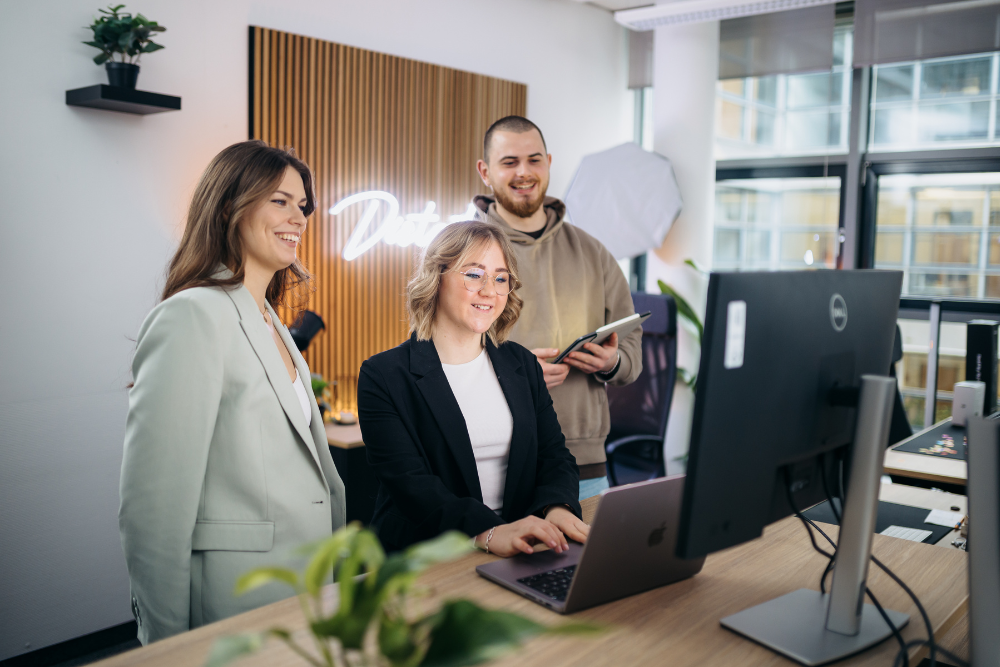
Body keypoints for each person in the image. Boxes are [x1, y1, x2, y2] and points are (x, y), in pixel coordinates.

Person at [119, 141, 346, 644]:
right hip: (234, 599)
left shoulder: (272, 322)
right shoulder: (193, 314)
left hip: (302, 587)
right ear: (229, 207)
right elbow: (153, 505)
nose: (299, 217)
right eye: (280, 201)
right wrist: (165, 642)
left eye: (302, 204)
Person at [357, 221, 588, 555]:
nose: (489, 291)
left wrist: (558, 509)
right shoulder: (383, 375)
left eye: (500, 278)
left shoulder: (521, 364)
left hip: (522, 545)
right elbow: (410, 484)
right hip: (426, 557)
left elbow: (553, 454)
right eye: (474, 274)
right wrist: (489, 532)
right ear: (436, 278)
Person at [474, 116, 642, 499]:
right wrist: (514, 373)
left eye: (534, 160)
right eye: (509, 162)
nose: (524, 173)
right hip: (493, 462)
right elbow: (433, 360)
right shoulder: (459, 254)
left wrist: (611, 362)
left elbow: (632, 350)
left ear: (548, 162)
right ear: (485, 171)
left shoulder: (593, 252)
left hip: (585, 464)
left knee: (591, 562)